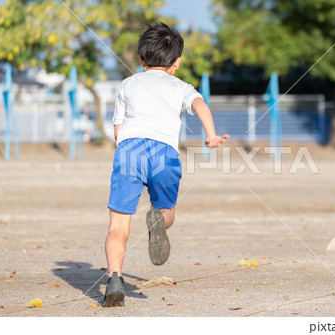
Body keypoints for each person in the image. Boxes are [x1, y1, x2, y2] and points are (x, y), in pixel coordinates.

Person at [103, 22, 229, 307]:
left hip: (129, 150)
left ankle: (113, 279)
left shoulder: (127, 84)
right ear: (177, 62)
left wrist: (127, 149)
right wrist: (210, 136)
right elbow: (201, 106)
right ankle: (158, 220)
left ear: (141, 59)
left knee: (117, 226)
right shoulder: (181, 86)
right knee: (166, 210)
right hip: (164, 153)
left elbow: (117, 130)